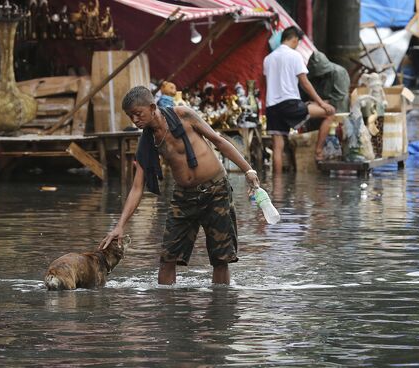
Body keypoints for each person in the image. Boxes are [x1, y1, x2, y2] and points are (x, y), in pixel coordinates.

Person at [99, 86, 260, 285]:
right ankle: (167, 311)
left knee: (221, 259)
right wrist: (120, 225)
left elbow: (218, 141)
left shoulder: (184, 115)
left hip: (216, 191)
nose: (135, 120)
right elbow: (137, 187)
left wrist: (248, 170)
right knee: (167, 257)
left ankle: (222, 309)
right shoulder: (147, 141)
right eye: (131, 116)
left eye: (138, 114)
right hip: (184, 197)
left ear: (152, 107)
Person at [263, 26, 336, 174]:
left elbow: (267, 83)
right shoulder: (294, 56)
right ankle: (319, 152)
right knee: (329, 113)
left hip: (272, 106)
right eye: (298, 42)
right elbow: (305, 82)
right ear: (295, 39)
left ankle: (277, 189)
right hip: (290, 103)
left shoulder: (268, 59)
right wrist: (321, 103)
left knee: (278, 146)